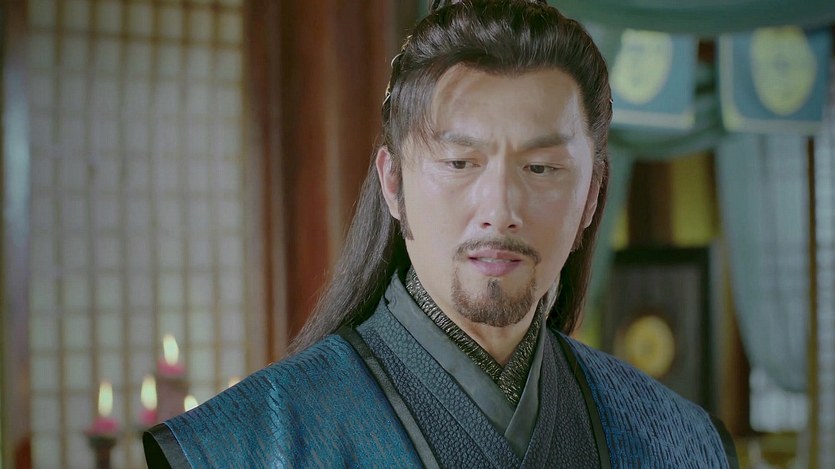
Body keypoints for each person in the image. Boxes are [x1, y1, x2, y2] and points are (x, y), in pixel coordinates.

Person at [144, 0, 738, 467]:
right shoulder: (252, 445)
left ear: (591, 196)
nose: (499, 210)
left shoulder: (677, 442)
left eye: (541, 168)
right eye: (459, 163)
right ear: (393, 182)